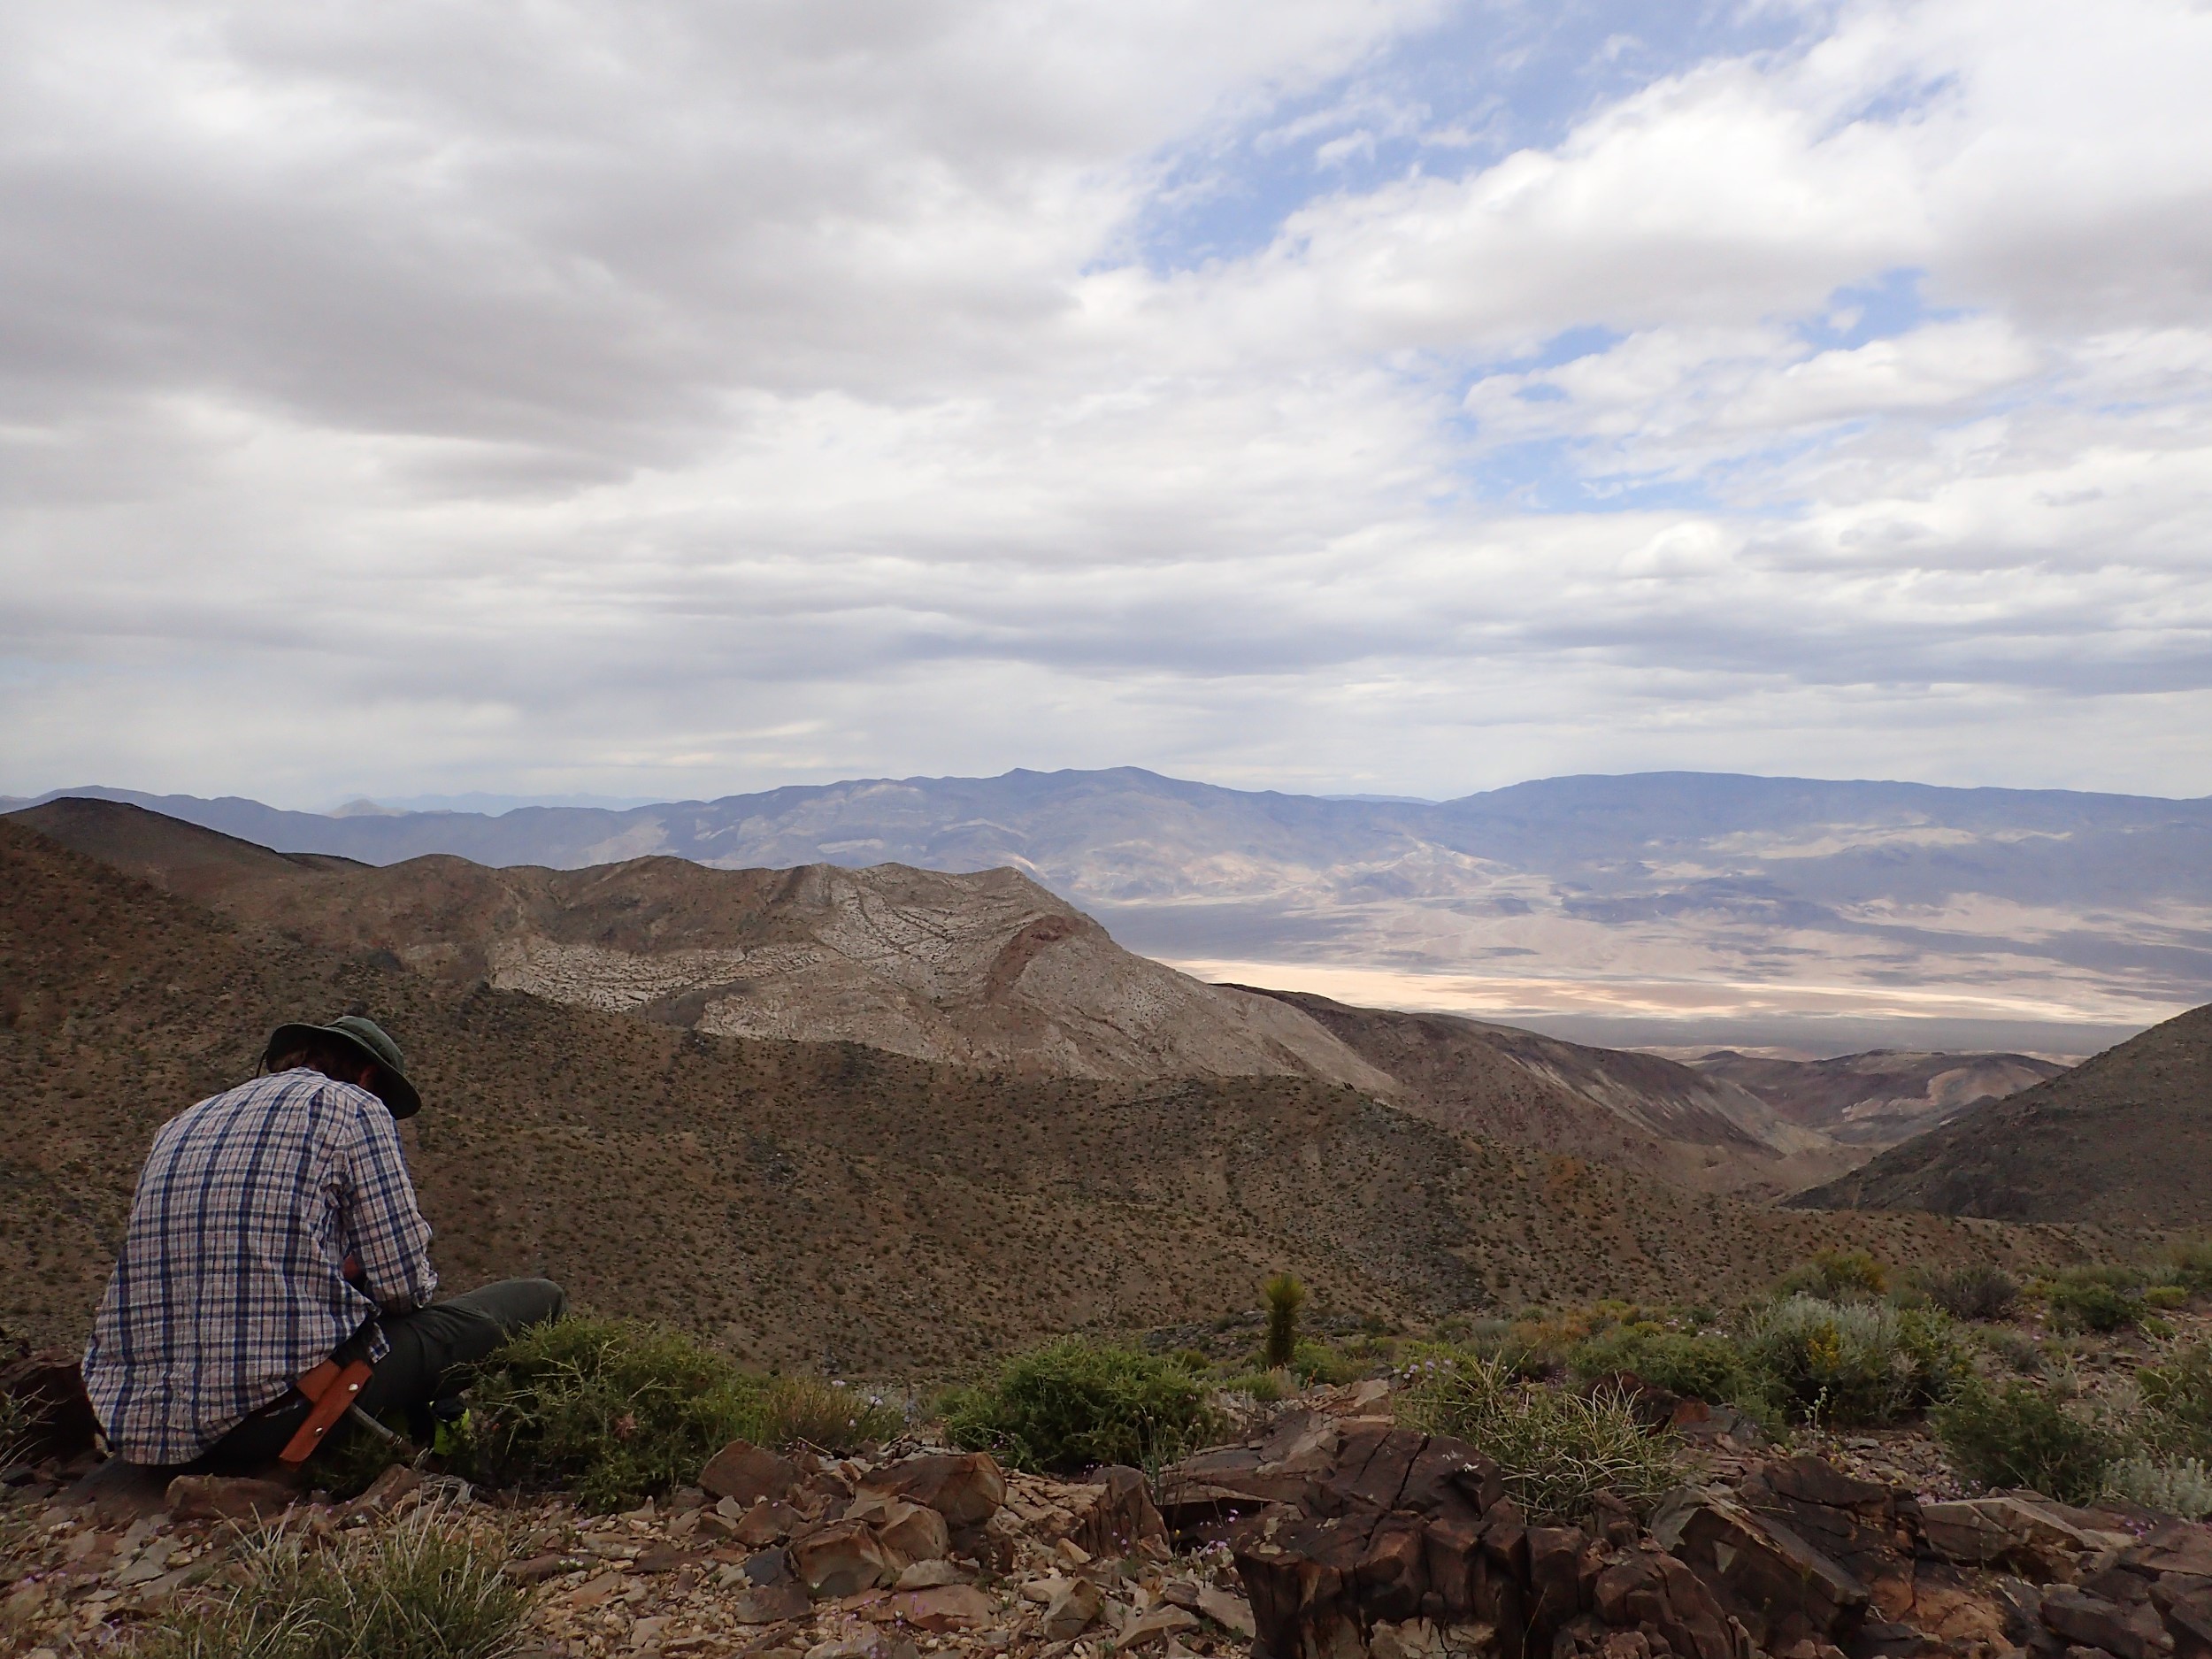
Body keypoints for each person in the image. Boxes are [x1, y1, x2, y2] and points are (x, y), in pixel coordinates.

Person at [81, 1013, 565, 1471]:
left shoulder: (180, 1125)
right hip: (259, 1422)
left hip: (137, 1425)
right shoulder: (355, 1108)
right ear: (370, 1077)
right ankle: (537, 1475)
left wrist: (336, 1271)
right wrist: (365, 1275)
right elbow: (405, 1285)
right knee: (539, 1300)